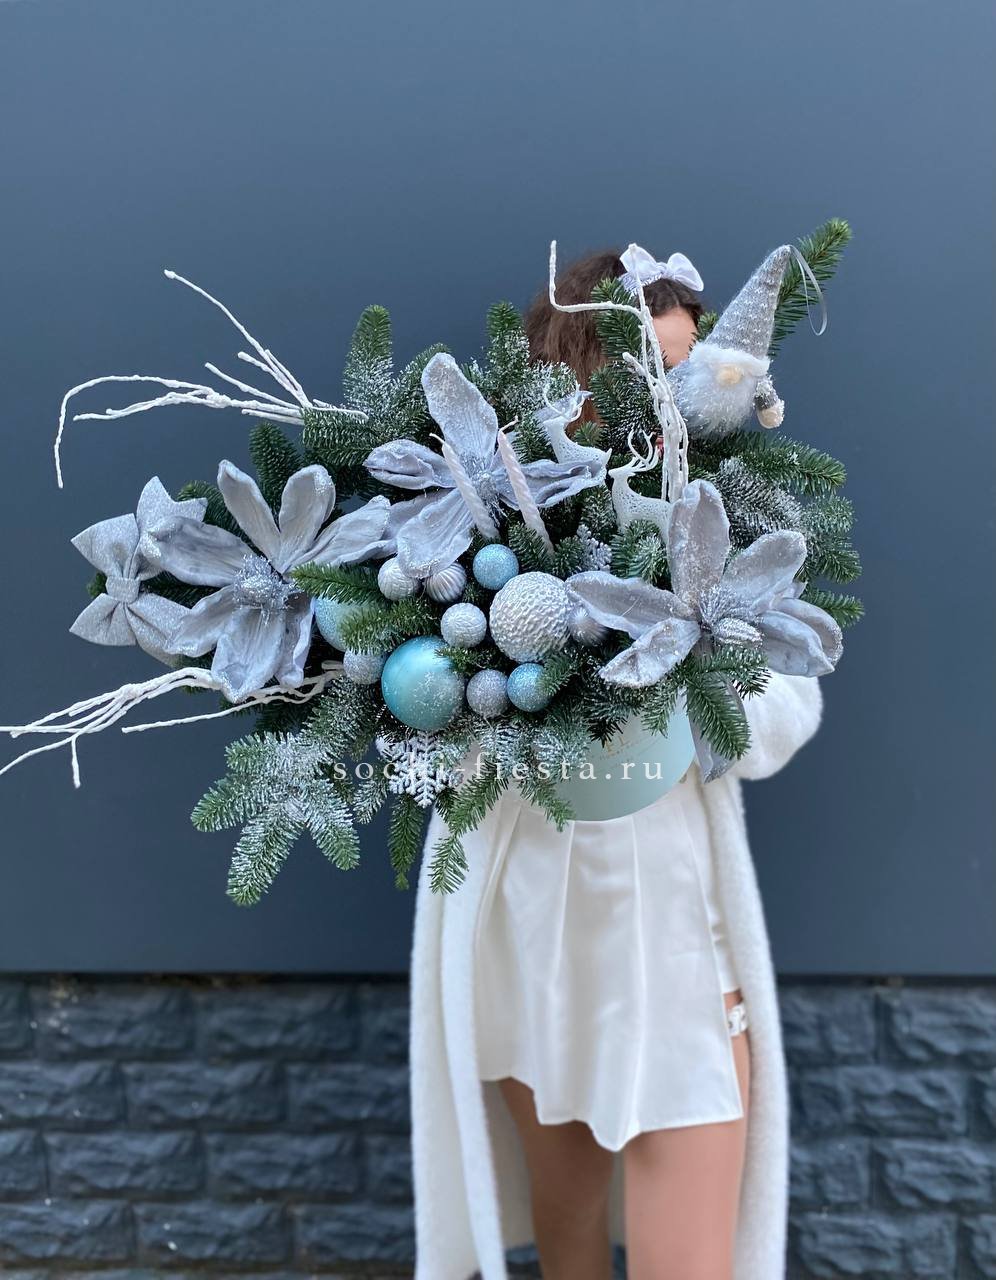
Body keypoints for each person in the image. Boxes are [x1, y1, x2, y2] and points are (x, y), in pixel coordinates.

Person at [408, 246, 826, 1280]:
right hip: (532, 937)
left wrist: (691, 657)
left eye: (690, 375)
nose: (675, 404)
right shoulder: (482, 540)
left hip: (679, 946)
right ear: (583, 376)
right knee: (568, 1238)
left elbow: (785, 714)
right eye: (653, 374)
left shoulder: (732, 523)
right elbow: (431, 716)